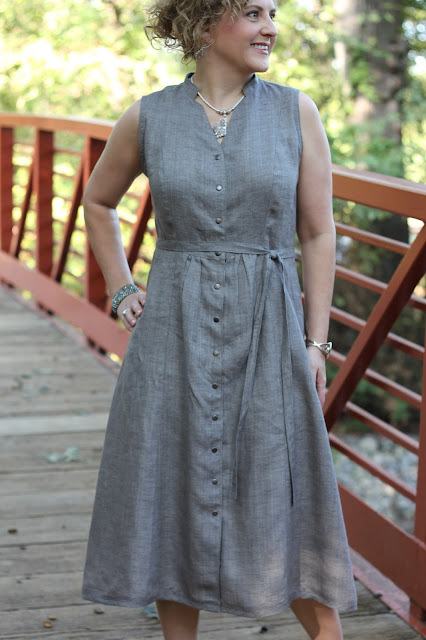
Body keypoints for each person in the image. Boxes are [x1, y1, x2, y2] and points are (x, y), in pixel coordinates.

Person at [81, 0, 358, 638]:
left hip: (271, 331)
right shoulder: (148, 116)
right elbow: (98, 201)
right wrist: (122, 288)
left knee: (287, 489)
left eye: (273, 13)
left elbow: (318, 233)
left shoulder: (296, 112)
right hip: (172, 332)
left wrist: (316, 342)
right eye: (254, 13)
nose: (271, 28)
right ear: (205, 24)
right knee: (172, 483)